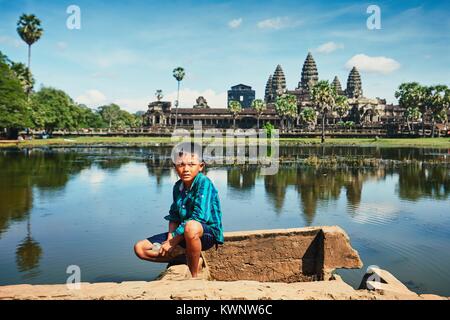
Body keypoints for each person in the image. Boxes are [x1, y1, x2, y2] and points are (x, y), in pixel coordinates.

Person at [134, 142, 224, 277]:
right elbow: (174, 216)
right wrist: (170, 238)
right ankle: (186, 256)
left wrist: (173, 241)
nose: (186, 169)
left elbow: (200, 217)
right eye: (181, 165)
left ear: (201, 166)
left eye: (191, 164)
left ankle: (194, 275)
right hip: (182, 232)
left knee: (191, 226)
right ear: (175, 167)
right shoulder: (178, 186)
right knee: (140, 248)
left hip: (205, 234)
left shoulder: (204, 183)